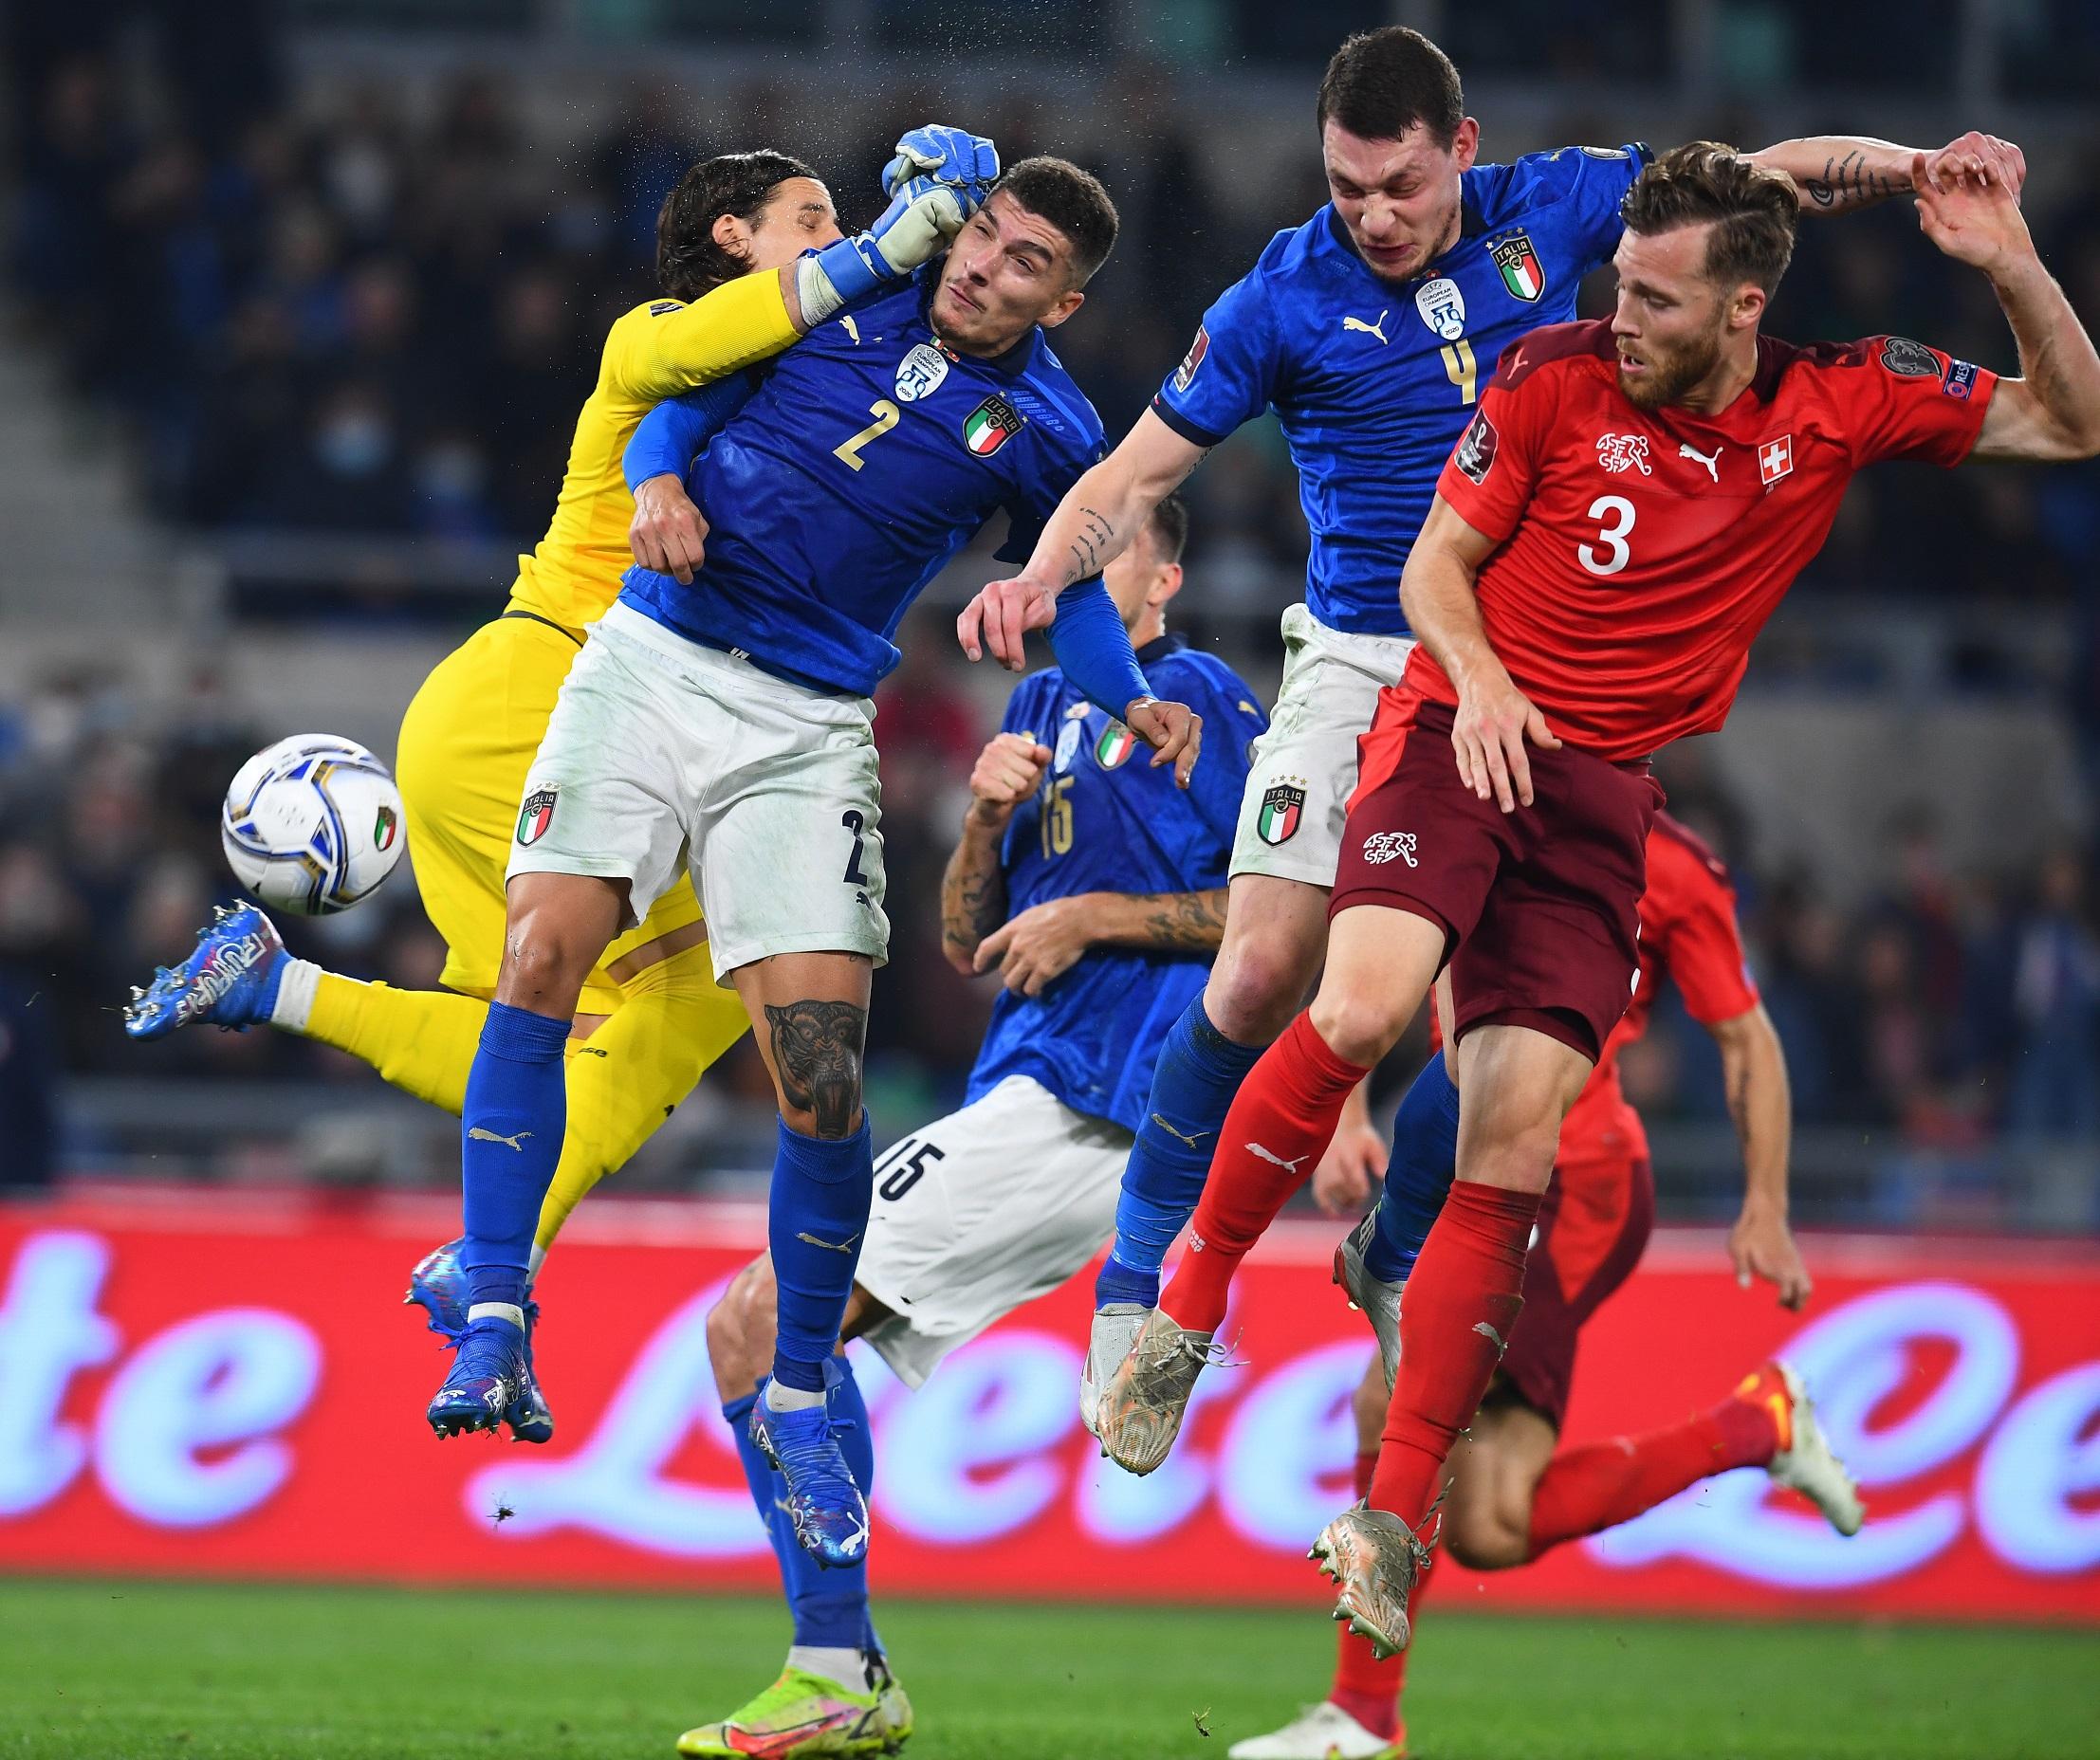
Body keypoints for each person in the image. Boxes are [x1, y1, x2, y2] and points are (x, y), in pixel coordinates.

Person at [950, 24, 2022, 1422]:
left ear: (1460, 150)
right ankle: (1133, 1302)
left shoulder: (1554, 205)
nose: (1374, 218)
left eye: (1398, 186)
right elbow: (1132, 467)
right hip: (1359, 655)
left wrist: (1912, 167)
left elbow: (1762, 184)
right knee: (1267, 962)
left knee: (1505, 1059)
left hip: (1533, 674)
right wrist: (1042, 569)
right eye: (1345, 190)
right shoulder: (1281, 298)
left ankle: (1387, 1255)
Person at [1130, 139, 2100, 1655]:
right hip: (1458, 731)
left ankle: (1388, 1518)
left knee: (1511, 1142)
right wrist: (1492, 687)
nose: (1618, 313)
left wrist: (2008, 266)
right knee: (1362, 1002)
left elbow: (2067, 420)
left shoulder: (1836, 401)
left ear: (1742, 308)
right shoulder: (1548, 376)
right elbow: (1433, 572)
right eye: (1617, 284)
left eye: (1652, 297)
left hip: (1599, 801)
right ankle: (1184, 1307)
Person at [120, 132, 997, 1441]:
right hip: (554, 703)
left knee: (547, 1039)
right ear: (729, 242)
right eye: (805, 217)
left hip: (569, 722)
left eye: (837, 220)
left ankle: (276, 988)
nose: (832, 239)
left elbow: (888, 352)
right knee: (692, 1008)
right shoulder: (656, 334)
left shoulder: (801, 385)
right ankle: (495, 1265)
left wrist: (964, 229)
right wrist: (901, 231)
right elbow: (812, 305)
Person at [433, 156, 1204, 1578]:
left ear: (1065, 298)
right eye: (982, 236)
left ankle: (796, 1384)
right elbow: (670, 410)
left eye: (1023, 262)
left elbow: (1078, 600)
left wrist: (1124, 698)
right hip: (651, 660)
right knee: (542, 950)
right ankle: (491, 1309)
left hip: (801, 728)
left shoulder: (1051, 428)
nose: (981, 268)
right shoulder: (837, 294)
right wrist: (657, 490)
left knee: (824, 1074)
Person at [680, 496, 1261, 1760]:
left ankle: (839, 1670)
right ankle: (841, 1667)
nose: (1073, 585)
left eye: (1109, 561)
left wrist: (1095, 915)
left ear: (1163, 581)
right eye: (1061, 565)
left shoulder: (1201, 697)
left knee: (761, 1321)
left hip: (1106, 1101)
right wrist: (990, 820)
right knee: (751, 1333)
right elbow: (962, 942)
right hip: (1031, 1087)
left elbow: (1278, 923)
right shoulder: (1043, 713)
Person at [1233, 814, 1851, 1760]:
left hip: (1577, 1187)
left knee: (1393, 1393)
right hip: (1473, 1157)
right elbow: (1373, 956)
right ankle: (1756, 1422)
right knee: (1487, 1524)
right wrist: (1353, 1107)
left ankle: (1361, 1715)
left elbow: (1747, 1038)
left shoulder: (1672, 866)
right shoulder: (1472, 794)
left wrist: (1765, 1202)